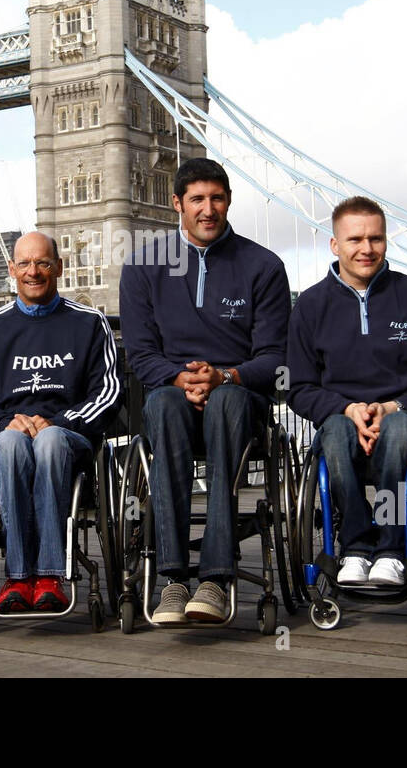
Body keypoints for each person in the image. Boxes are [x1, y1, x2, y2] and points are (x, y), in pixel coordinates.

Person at [120, 157, 291, 624]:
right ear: (178, 203)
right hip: (172, 397)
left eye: (217, 198)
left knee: (228, 401)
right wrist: (181, 378)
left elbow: (275, 357)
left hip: (239, 399)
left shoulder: (265, 266)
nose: (208, 209)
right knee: (164, 403)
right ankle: (173, 580)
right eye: (196, 199)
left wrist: (225, 378)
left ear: (229, 200)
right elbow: (140, 352)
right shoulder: (141, 266)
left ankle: (215, 578)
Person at [287, 196, 407, 586]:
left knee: (396, 429)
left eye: (375, 239)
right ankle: (357, 547)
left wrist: (394, 406)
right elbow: (298, 386)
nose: (366, 249)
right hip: (343, 421)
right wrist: (347, 410)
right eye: (355, 239)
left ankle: (393, 550)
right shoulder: (309, 306)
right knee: (337, 432)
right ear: (334, 244)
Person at [0, 232, 120, 613]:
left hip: (68, 437)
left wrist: (59, 423)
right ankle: (17, 577)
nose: (34, 272)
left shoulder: (89, 324)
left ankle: (49, 574)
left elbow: (108, 392)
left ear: (58, 268)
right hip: (7, 435)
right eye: (25, 264)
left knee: (48, 443)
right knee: (14, 445)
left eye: (43, 263)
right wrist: (4, 426)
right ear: (12, 270)